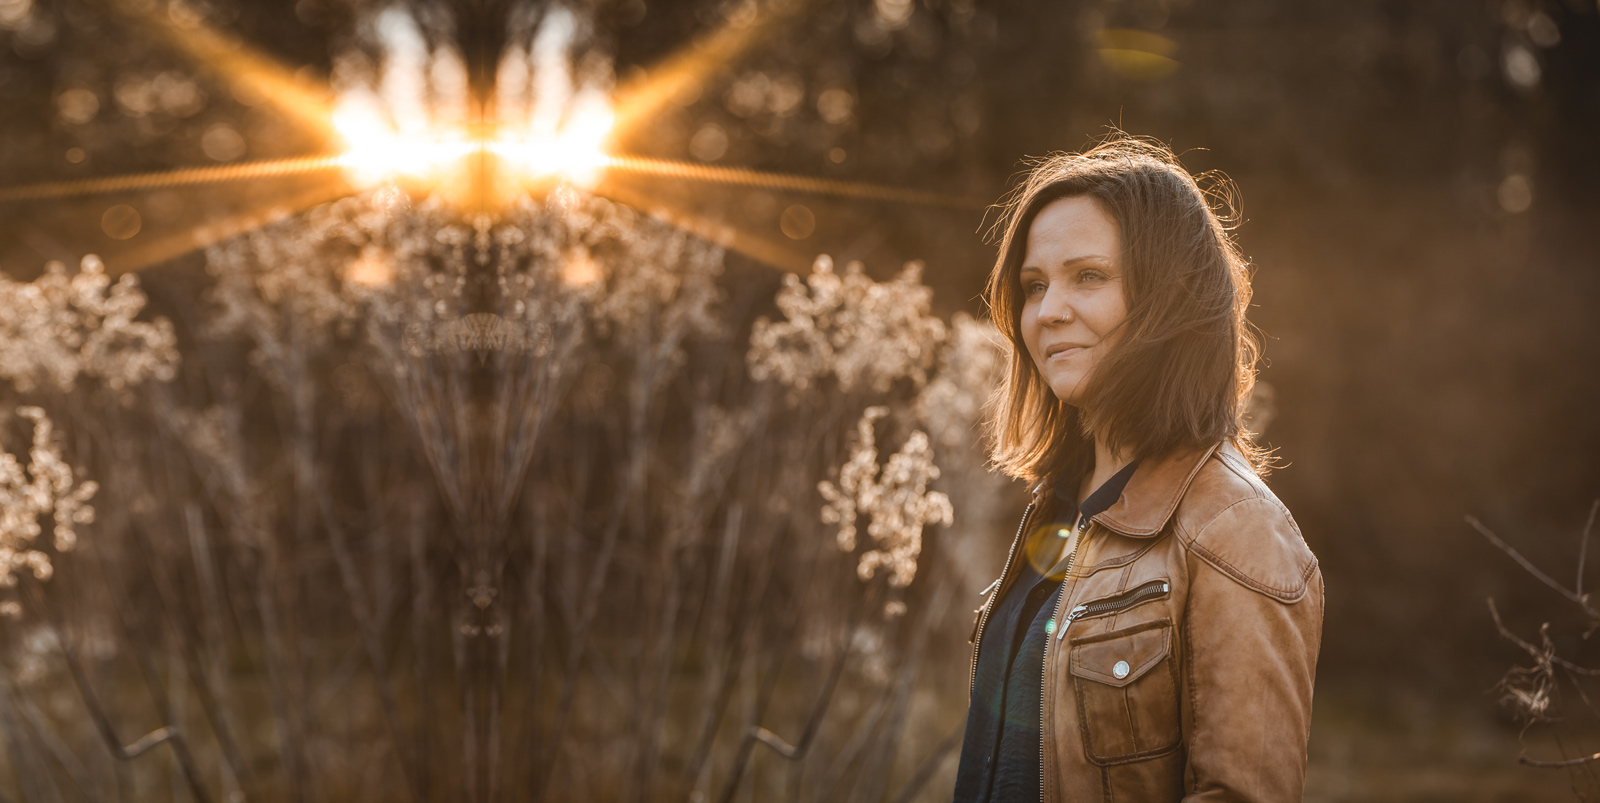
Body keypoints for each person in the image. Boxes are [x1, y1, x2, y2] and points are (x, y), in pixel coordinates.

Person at [951, 137, 1323, 802]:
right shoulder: (1059, 504)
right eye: (1034, 285)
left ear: (1169, 299)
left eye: (1088, 276)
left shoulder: (1236, 531)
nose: (1049, 310)